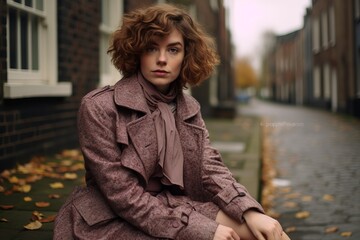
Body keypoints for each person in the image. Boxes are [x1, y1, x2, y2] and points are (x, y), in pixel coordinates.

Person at [54, 4, 291, 240]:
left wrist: (249, 210)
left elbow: (209, 168)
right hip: (112, 217)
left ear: (187, 55)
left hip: (174, 205)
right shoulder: (99, 107)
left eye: (173, 50)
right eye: (151, 48)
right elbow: (124, 195)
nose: (162, 59)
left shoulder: (188, 107)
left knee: (269, 233)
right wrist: (203, 231)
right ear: (137, 52)